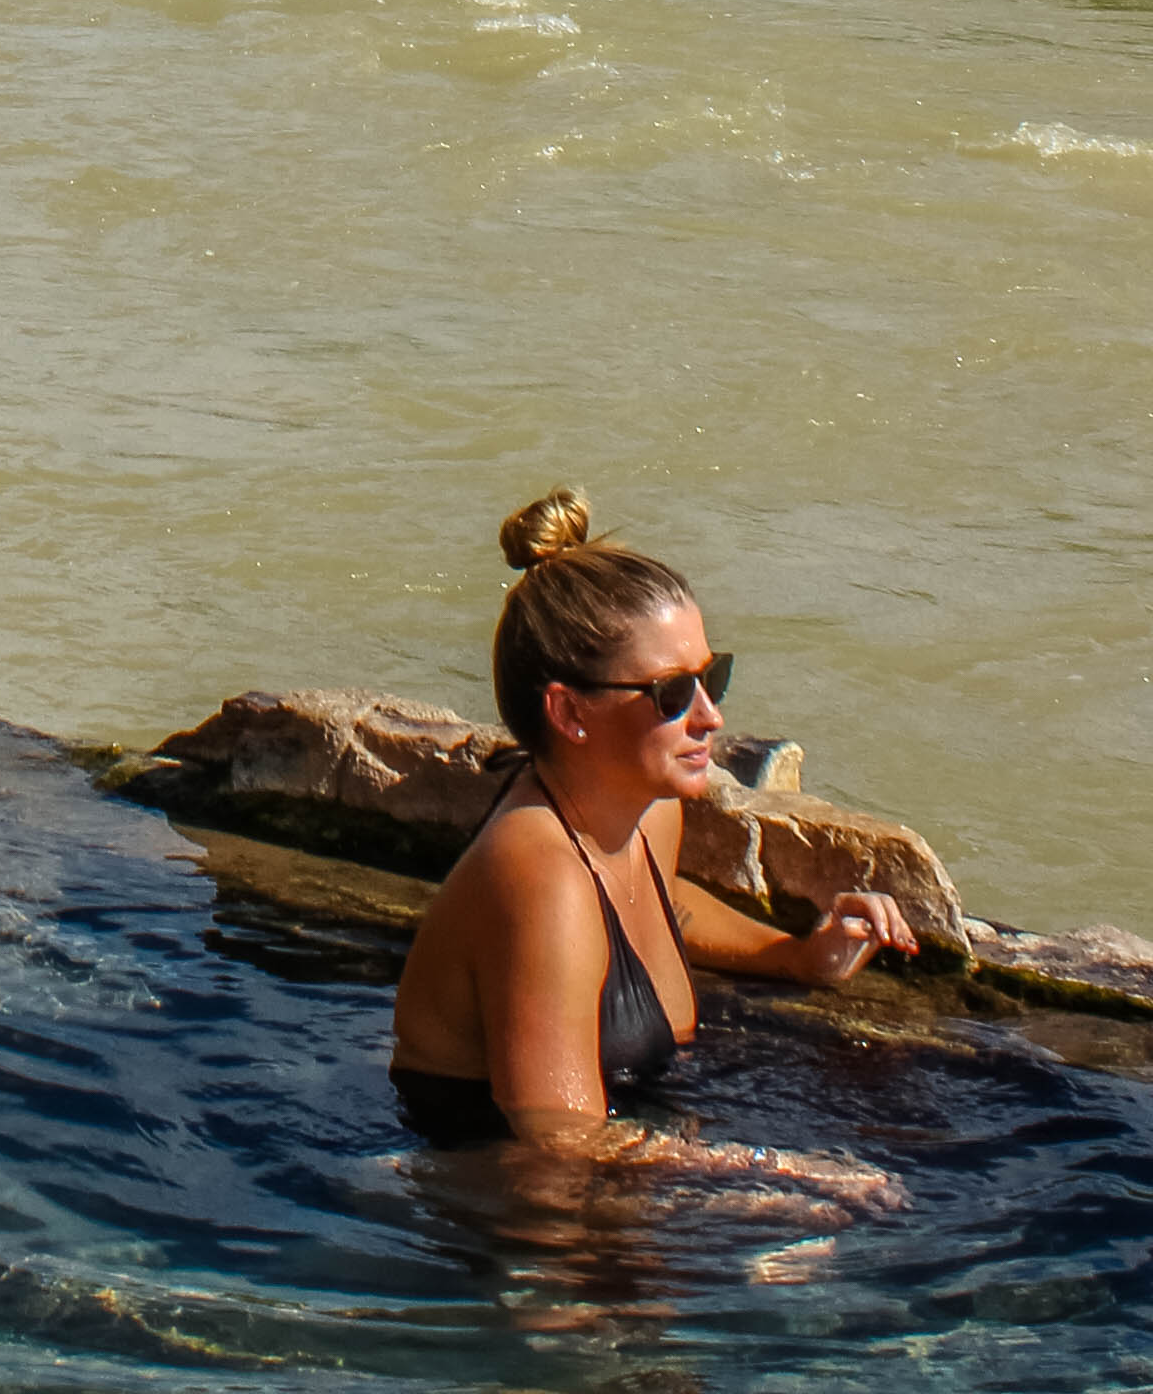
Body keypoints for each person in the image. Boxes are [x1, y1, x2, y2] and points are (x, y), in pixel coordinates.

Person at [390, 489, 921, 1166]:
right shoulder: (540, 878)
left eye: (712, 677)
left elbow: (659, 901)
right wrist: (769, 1176)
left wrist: (796, 956)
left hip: (631, 1136)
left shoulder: (648, 810)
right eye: (672, 693)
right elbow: (561, 1142)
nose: (710, 716)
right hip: (494, 1187)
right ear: (569, 712)